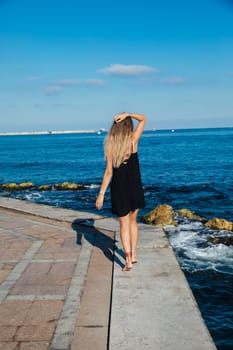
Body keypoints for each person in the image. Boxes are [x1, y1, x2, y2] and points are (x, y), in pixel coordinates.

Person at [96, 112, 146, 271]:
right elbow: (144, 118)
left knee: (124, 225)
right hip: (135, 187)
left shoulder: (110, 146)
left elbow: (108, 173)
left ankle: (128, 260)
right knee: (133, 222)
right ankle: (134, 254)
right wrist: (129, 114)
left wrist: (101, 194)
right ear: (128, 126)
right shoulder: (133, 141)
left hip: (119, 189)